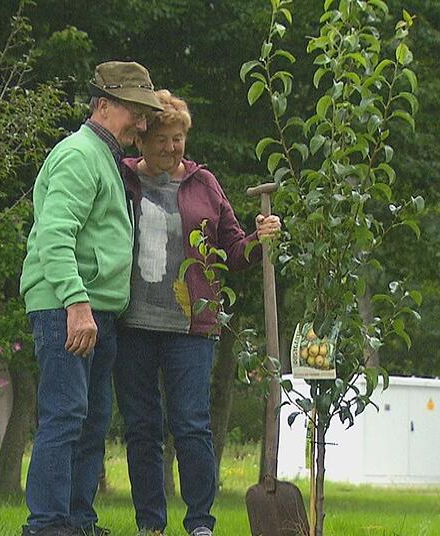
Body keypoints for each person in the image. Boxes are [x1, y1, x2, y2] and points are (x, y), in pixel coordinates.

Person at [114, 90, 281, 536]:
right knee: (142, 428)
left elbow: (234, 250)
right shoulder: (120, 177)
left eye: (179, 139)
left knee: (190, 425)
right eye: (162, 139)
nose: (172, 148)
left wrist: (260, 239)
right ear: (141, 139)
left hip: (191, 326)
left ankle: (200, 523)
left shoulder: (203, 183)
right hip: (131, 325)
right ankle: (151, 524)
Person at [19, 61, 163, 536]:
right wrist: (76, 305)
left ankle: (78, 521)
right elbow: (55, 235)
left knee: (91, 420)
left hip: (94, 309)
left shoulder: (105, 159)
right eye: (135, 112)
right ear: (103, 105)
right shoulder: (79, 155)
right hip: (68, 306)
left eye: (145, 114)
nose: (142, 123)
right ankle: (47, 525)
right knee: (65, 416)